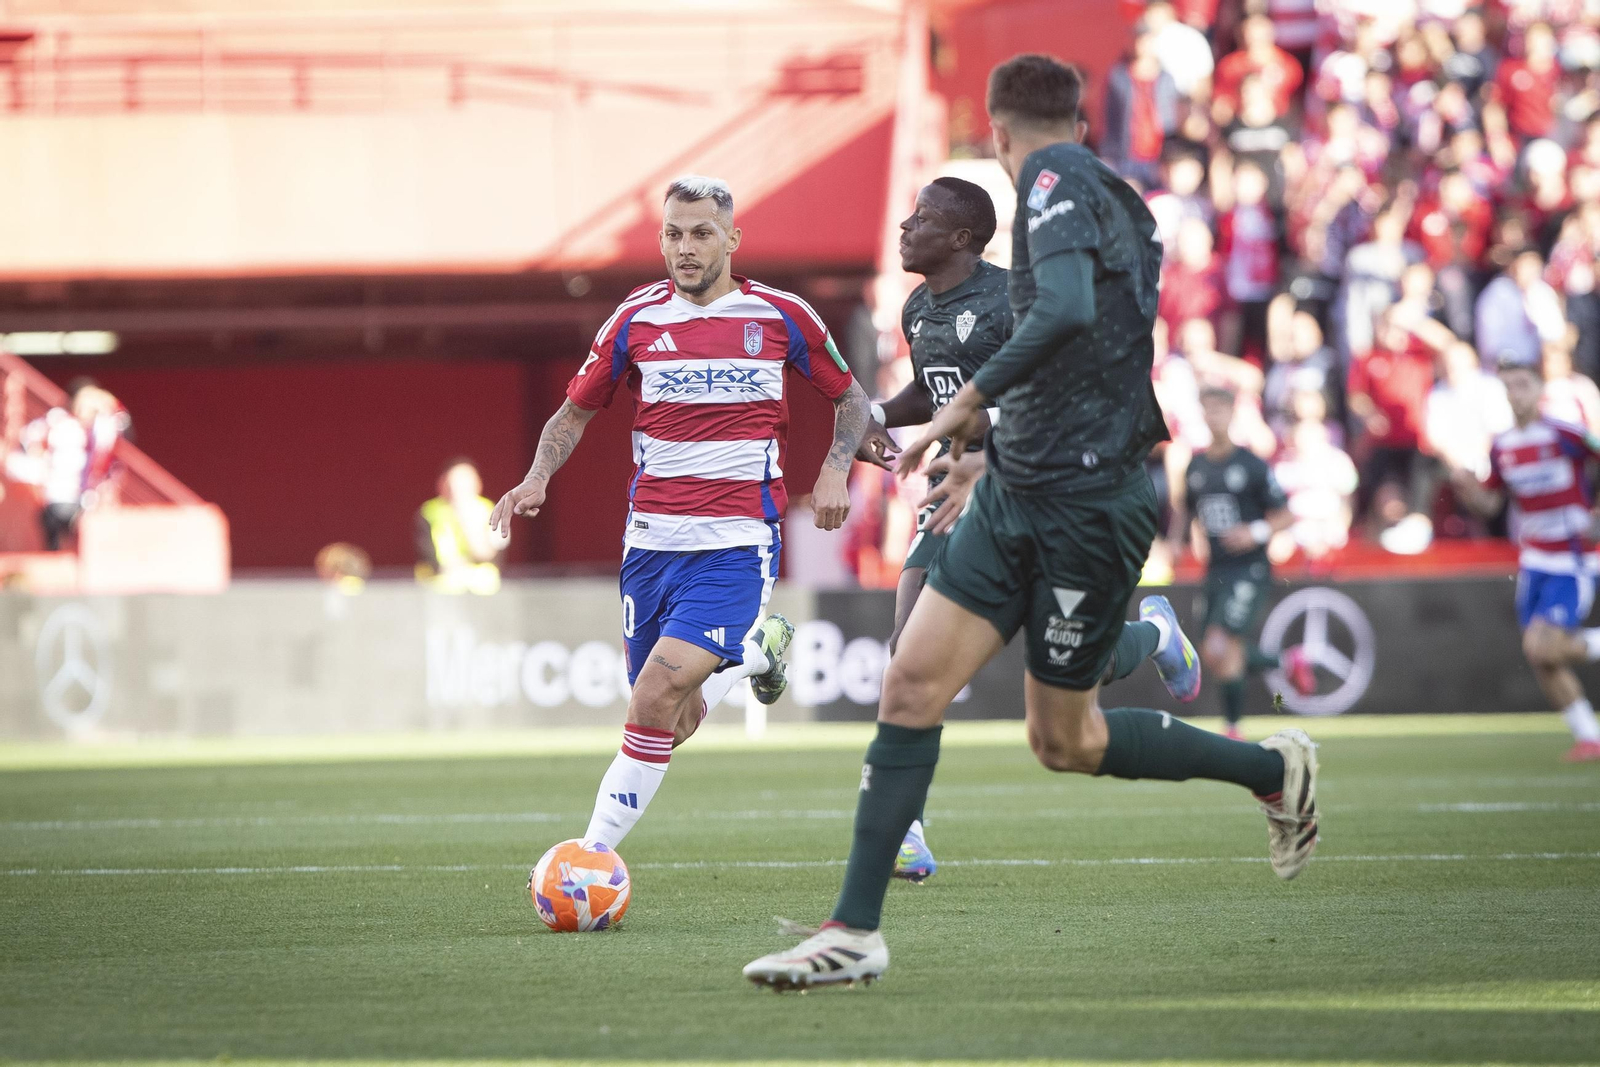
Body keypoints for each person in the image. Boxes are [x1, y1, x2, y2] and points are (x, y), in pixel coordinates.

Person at [743, 55, 1319, 990]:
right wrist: (985, 449)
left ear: (1000, 133)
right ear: (1082, 121)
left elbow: (1064, 312)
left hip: (1090, 493)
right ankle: (854, 929)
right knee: (912, 680)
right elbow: (1081, 340)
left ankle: (1269, 767)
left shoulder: (1051, 182)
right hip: (1024, 477)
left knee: (1068, 740)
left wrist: (968, 407)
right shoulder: (1109, 195)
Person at [490, 175, 872, 850]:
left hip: (736, 541)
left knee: (655, 692)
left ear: (732, 237)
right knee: (674, 715)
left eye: (701, 233)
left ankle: (590, 858)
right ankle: (757, 653)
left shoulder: (782, 316)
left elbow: (851, 399)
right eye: (673, 233)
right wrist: (537, 475)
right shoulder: (635, 320)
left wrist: (836, 467)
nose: (686, 247)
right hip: (650, 545)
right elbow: (576, 409)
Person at [854, 176, 1014, 883]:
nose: (905, 225)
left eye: (922, 217)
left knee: (1071, 663)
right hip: (948, 493)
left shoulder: (1013, 301)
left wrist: (992, 449)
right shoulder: (918, 306)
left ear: (959, 238)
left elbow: (1051, 394)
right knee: (906, 653)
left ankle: (1153, 635)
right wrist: (880, 416)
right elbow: (933, 387)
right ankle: (906, 827)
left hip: (1019, 491)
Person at [1450, 360, 1600, 763]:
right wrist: (1466, 488)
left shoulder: (1564, 434)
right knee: (1538, 654)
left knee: (1545, 646)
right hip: (1534, 559)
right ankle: (1589, 735)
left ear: (1539, 390)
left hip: (1573, 558)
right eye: (1508, 387)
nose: (1515, 394)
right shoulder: (1502, 446)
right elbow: (1491, 504)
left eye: (1522, 385)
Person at [1169, 387, 1314, 740]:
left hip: (1249, 569)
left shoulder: (1251, 465)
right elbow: (1185, 509)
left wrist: (1255, 532)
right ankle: (1285, 662)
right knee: (1211, 650)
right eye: (1208, 410)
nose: (1213, 416)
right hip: (1216, 570)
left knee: (1222, 644)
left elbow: (1285, 515)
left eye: (1219, 409)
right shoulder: (1197, 466)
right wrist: (1175, 542)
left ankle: (1232, 728)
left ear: (1232, 414)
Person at [415, 458, 508, 594]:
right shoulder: (429, 513)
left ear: (477, 484)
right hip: (442, 588)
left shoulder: (491, 511)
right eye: (453, 483)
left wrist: (466, 518)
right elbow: (427, 557)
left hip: (483, 590)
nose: (458, 489)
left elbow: (490, 554)